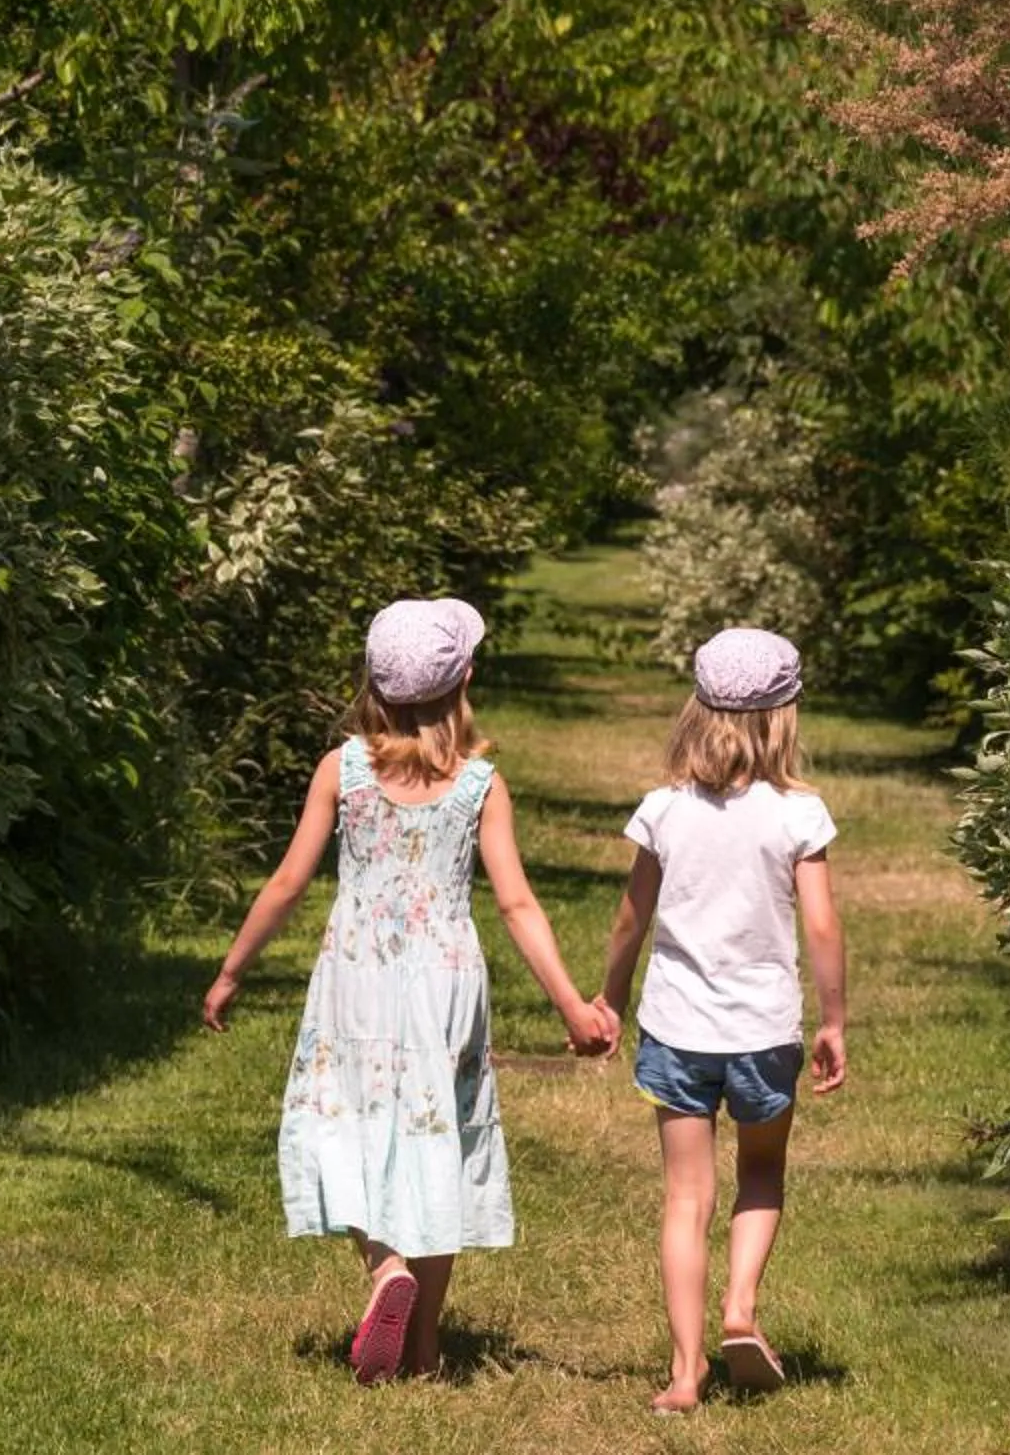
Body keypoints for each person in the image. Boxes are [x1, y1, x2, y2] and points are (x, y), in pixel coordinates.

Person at [202, 597, 617, 1384]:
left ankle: (384, 1266)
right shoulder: (480, 786)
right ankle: (424, 1350)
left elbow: (290, 881)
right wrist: (572, 1003)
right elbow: (519, 904)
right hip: (445, 981)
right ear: (463, 679)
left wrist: (231, 971)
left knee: (346, 1129)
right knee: (438, 1140)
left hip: (357, 974)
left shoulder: (343, 768)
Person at [595, 626, 848, 1415]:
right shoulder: (797, 815)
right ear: (784, 718)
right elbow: (823, 928)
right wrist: (834, 1020)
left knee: (684, 1198)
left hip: (677, 1030)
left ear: (696, 710)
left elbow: (629, 921)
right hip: (764, 1032)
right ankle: (740, 1309)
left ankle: (683, 1371)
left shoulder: (664, 811)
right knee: (762, 1173)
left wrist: (608, 996)